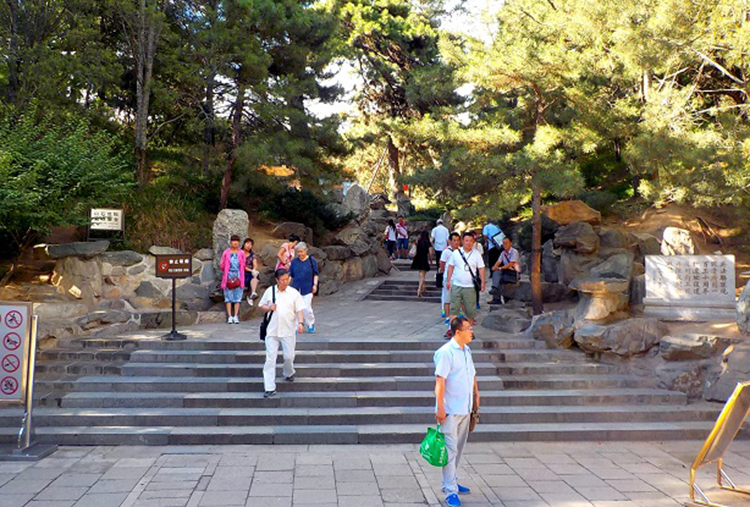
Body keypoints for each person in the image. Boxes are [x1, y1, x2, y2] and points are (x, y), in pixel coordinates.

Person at [434, 316, 480, 507]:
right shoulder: (446, 353)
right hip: (450, 410)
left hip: (465, 408)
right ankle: (450, 490)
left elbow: (472, 375)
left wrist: (477, 395)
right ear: (458, 332)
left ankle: (452, 480)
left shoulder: (466, 350)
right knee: (450, 451)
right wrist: (440, 408)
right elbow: (440, 382)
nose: (471, 331)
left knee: (459, 448)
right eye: (468, 328)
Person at [258, 269, 306, 398]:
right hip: (272, 331)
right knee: (270, 359)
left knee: (288, 356)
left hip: (288, 330)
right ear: (277, 280)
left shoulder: (293, 293)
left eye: (287, 279)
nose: (285, 282)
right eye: (283, 280)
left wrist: (300, 323)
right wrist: (269, 308)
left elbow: (299, 309)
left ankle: (288, 372)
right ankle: (269, 387)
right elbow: (261, 305)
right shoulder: (270, 291)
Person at [445, 232, 486, 337]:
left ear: (473, 242)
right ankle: (452, 330)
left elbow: (481, 268)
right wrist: (448, 281)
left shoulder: (476, 254)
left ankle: (469, 331)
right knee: (454, 308)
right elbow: (450, 267)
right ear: (463, 241)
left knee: (470, 310)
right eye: (466, 241)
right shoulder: (456, 253)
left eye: (471, 241)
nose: (468, 243)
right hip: (457, 285)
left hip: (470, 286)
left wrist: (482, 282)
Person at [289, 242, 319, 333]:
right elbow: (291, 275)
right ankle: (297, 325)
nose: (300, 254)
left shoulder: (311, 260)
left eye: (301, 251)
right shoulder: (294, 262)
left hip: (307, 287)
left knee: (306, 308)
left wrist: (315, 285)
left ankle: (310, 323)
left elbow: (315, 274)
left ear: (306, 251)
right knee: (296, 308)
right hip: (296, 287)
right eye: (298, 252)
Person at [220, 235, 246, 324]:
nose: (235, 243)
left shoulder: (241, 253)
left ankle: (236, 315)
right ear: (230, 242)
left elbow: (243, 264)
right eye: (233, 241)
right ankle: (229, 316)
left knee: (238, 296)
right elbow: (222, 265)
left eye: (237, 241)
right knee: (228, 297)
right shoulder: (226, 252)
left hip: (238, 275)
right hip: (228, 275)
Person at [490, 237, 521, 305]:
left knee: (500, 278)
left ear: (510, 243)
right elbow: (499, 261)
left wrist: (500, 268)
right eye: (503, 243)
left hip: (513, 272)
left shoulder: (514, 252)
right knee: (496, 274)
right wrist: (495, 267)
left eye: (506, 243)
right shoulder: (503, 253)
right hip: (505, 271)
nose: (505, 245)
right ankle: (495, 295)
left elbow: (511, 264)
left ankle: (497, 292)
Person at [440, 232, 461, 323]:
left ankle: (456, 315)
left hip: (458, 278)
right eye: (454, 240)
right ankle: (448, 317)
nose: (456, 242)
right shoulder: (446, 251)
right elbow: (442, 263)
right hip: (448, 278)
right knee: (447, 298)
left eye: (458, 240)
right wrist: (444, 272)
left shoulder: (461, 251)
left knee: (458, 298)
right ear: (450, 241)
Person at [411, 230, 433, 297]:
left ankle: (423, 288)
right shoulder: (427, 242)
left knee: (421, 274)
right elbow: (431, 252)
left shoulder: (419, 241)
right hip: (424, 259)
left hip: (417, 259)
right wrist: (431, 260)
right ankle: (419, 289)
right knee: (422, 276)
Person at [242, 238, 260, 306]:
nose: (249, 246)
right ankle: (249, 295)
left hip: (250, 272)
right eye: (247, 243)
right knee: (251, 275)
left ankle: (252, 293)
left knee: (255, 275)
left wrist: (254, 270)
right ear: (244, 244)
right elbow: (242, 266)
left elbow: (255, 264)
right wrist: (251, 270)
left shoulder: (252, 255)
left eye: (251, 244)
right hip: (241, 272)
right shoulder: (240, 253)